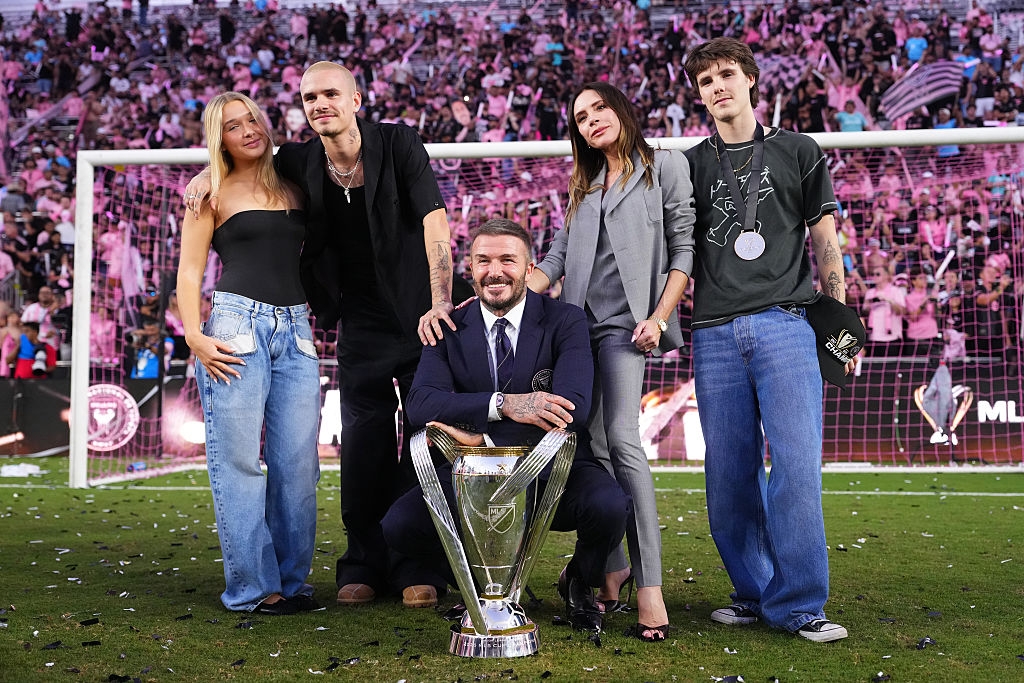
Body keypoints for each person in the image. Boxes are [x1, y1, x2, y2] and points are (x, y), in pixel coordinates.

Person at [185, 62, 458, 608]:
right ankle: (361, 563)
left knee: (429, 443)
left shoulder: (400, 142)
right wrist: (204, 175)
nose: (319, 104)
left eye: (331, 93)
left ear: (357, 98)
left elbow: (434, 220)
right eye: (309, 97)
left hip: (422, 317)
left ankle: (417, 567)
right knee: (362, 447)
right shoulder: (297, 159)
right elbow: (238, 168)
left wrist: (442, 300)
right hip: (352, 323)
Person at [682, 37, 852, 643]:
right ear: (698, 95)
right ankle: (755, 592)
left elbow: (825, 241)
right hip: (714, 332)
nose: (717, 88)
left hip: (787, 324)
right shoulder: (691, 165)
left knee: (797, 469)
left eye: (726, 74)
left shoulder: (800, 150)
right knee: (727, 477)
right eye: (705, 82)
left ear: (750, 79)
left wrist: (839, 324)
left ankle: (801, 604)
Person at [382, 218, 630, 632]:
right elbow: (421, 404)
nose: (494, 271)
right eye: (483, 260)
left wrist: (481, 435)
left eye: (507, 260)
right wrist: (503, 405)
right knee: (399, 526)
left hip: (552, 469)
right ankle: (479, 582)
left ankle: (578, 581)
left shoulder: (564, 320)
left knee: (610, 508)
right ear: (470, 269)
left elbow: (573, 409)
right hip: (473, 474)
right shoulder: (447, 327)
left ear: (530, 269)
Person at [527, 82, 696, 642]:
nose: (591, 119)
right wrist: (524, 278)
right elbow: (555, 254)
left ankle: (650, 585)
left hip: (630, 329)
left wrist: (658, 315)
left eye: (599, 107)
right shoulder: (585, 185)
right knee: (591, 445)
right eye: (580, 116)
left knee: (622, 440)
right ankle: (615, 565)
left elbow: (683, 248)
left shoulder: (664, 167)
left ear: (621, 109)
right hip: (578, 329)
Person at [177, 92, 321, 616]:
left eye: (251, 119)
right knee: (238, 460)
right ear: (221, 139)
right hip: (235, 327)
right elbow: (190, 271)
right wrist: (194, 334)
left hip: (297, 330)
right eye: (233, 126)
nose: (247, 130)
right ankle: (254, 588)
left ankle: (292, 581)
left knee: (298, 464)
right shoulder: (210, 192)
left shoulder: (297, 184)